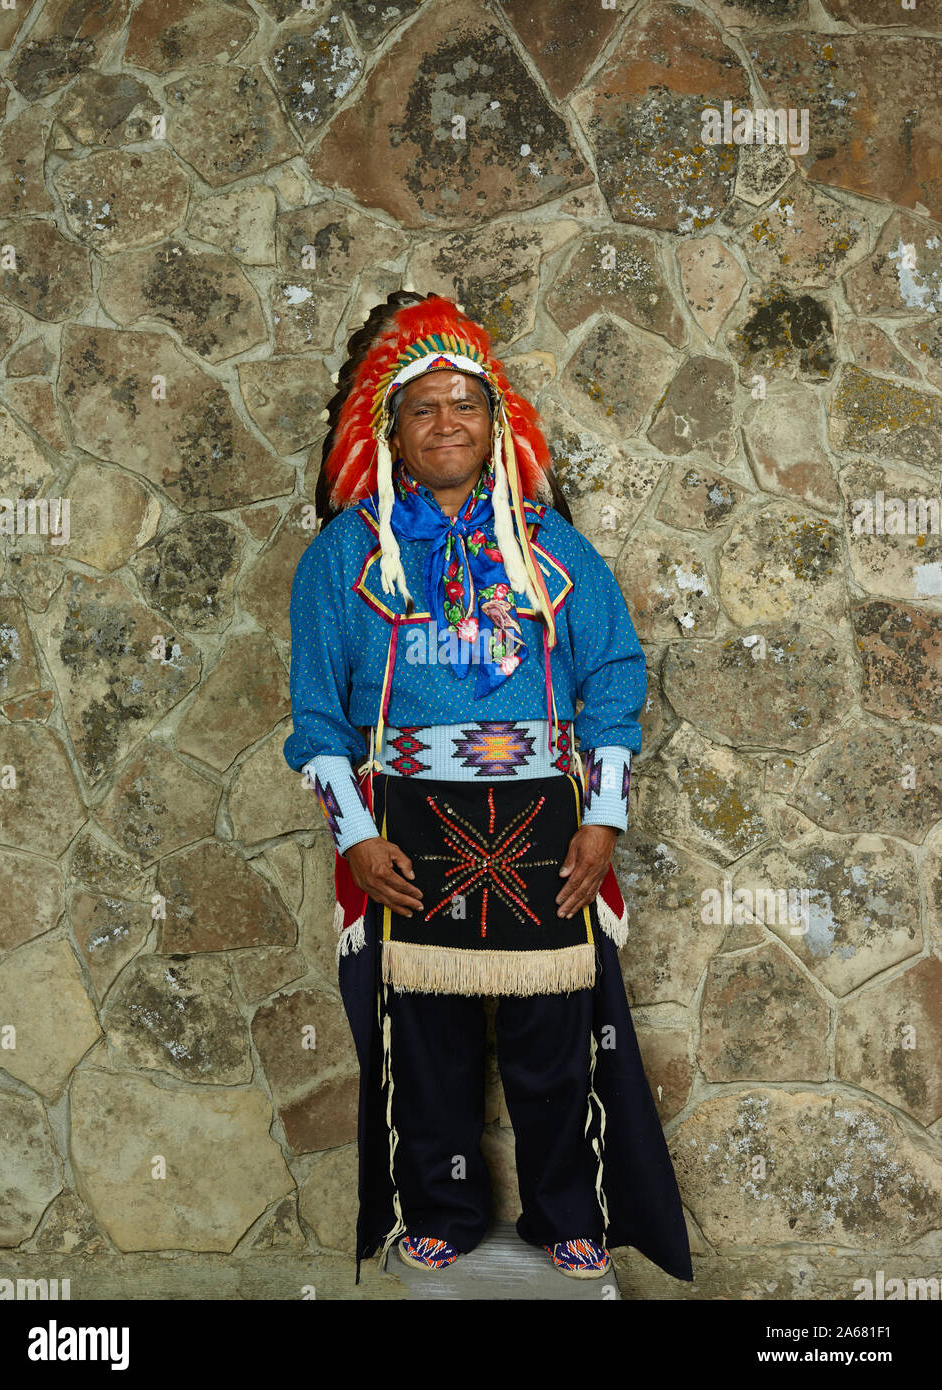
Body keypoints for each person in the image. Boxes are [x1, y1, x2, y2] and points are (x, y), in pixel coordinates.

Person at [284, 290, 693, 1287]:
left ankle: (568, 1214)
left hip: (546, 825)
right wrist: (351, 836)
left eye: (463, 405)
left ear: (493, 422)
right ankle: (441, 1209)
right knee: (425, 1041)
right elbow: (318, 714)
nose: (444, 424)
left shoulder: (552, 546)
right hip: (406, 824)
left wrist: (602, 816)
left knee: (557, 1040)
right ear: (391, 427)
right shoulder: (346, 554)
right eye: (423, 407)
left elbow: (614, 678)